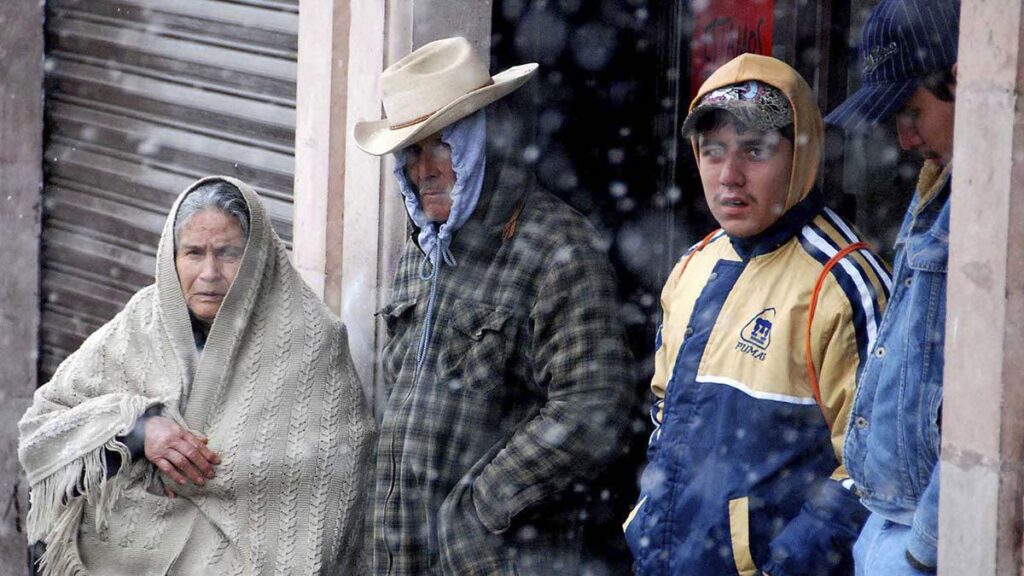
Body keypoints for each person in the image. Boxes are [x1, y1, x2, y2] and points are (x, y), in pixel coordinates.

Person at [353, 37, 634, 575]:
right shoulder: (422, 251)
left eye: (441, 146)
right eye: (411, 152)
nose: (423, 170)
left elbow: (593, 403)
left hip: (497, 561)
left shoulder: (556, 246)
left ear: (480, 142)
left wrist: (480, 506)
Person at [19, 177, 375, 575]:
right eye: (193, 252)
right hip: (120, 552)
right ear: (171, 258)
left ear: (258, 256)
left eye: (227, 253)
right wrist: (137, 429)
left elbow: (325, 482)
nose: (209, 273)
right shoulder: (145, 318)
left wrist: (200, 476)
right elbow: (45, 423)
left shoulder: (311, 340)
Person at [623, 53, 892, 575]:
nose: (730, 175)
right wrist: (647, 527)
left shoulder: (842, 280)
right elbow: (665, 415)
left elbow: (874, 465)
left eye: (755, 150)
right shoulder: (693, 267)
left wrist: (785, 563)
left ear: (802, 155)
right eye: (713, 151)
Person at [825, 0, 959, 573]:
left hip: (921, 535)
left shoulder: (991, 208)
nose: (904, 139)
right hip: (888, 521)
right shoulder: (939, 187)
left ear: (962, 78)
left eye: (912, 111)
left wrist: (923, 546)